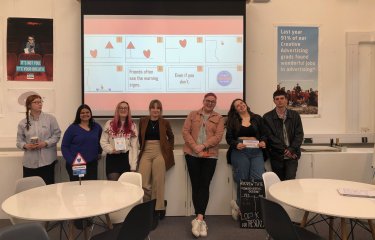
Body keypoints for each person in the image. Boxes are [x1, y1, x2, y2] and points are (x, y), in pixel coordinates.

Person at [182, 93, 224, 238]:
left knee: (205, 184)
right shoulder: (193, 114)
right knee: (196, 184)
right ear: (203, 101)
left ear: (215, 103)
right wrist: (195, 148)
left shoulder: (219, 118)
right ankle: (199, 219)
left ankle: (199, 218)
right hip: (192, 154)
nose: (210, 103)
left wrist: (203, 146)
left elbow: (218, 137)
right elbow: (185, 132)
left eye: (213, 101)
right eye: (208, 101)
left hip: (210, 155)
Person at [225, 99, 267, 221]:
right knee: (243, 180)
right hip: (240, 150)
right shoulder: (232, 120)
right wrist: (235, 144)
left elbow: (264, 134)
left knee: (258, 179)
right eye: (238, 105)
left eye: (242, 103)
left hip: (256, 151)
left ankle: (253, 210)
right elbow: (229, 138)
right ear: (235, 109)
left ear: (246, 105)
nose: (241, 106)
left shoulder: (257, 118)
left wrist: (264, 141)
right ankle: (242, 208)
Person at [138, 99, 174, 220]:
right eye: (153, 108)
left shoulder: (165, 122)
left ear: (160, 110)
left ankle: (158, 208)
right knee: (143, 182)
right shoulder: (143, 121)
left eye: (158, 108)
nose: (155, 110)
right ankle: (147, 207)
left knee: (158, 182)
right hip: (146, 151)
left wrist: (168, 150)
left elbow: (171, 137)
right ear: (149, 109)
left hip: (159, 152)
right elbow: (140, 137)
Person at [16, 94, 61, 185]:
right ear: (29, 105)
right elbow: (19, 141)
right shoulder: (23, 123)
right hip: (30, 163)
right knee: (30, 191)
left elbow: (57, 135)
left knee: (48, 190)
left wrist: (45, 143)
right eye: (36, 102)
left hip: (47, 162)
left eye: (40, 102)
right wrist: (26, 146)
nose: (39, 104)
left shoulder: (50, 119)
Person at [263, 90, 304, 181]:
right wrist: (285, 150)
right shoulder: (267, 117)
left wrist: (291, 150)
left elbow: (299, 135)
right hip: (276, 156)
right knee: (278, 183)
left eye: (282, 98)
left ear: (286, 100)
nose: (279, 101)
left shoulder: (295, 115)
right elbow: (270, 137)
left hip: (292, 155)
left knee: (290, 181)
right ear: (274, 101)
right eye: (277, 99)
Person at [61, 104, 102, 181]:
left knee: (92, 188)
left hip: (92, 164)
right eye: (82, 113)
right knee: (78, 188)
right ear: (78, 115)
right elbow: (64, 146)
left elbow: (100, 141)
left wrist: (99, 152)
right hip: (77, 164)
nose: (85, 114)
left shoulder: (97, 127)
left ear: (90, 114)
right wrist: (72, 161)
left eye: (87, 112)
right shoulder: (72, 128)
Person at [100, 101, 138, 180]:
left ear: (128, 110)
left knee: (125, 187)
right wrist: (112, 150)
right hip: (112, 158)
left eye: (125, 108)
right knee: (113, 187)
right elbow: (103, 141)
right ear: (117, 110)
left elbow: (134, 147)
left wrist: (133, 166)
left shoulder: (133, 126)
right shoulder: (109, 124)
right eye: (121, 108)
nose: (123, 110)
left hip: (126, 159)